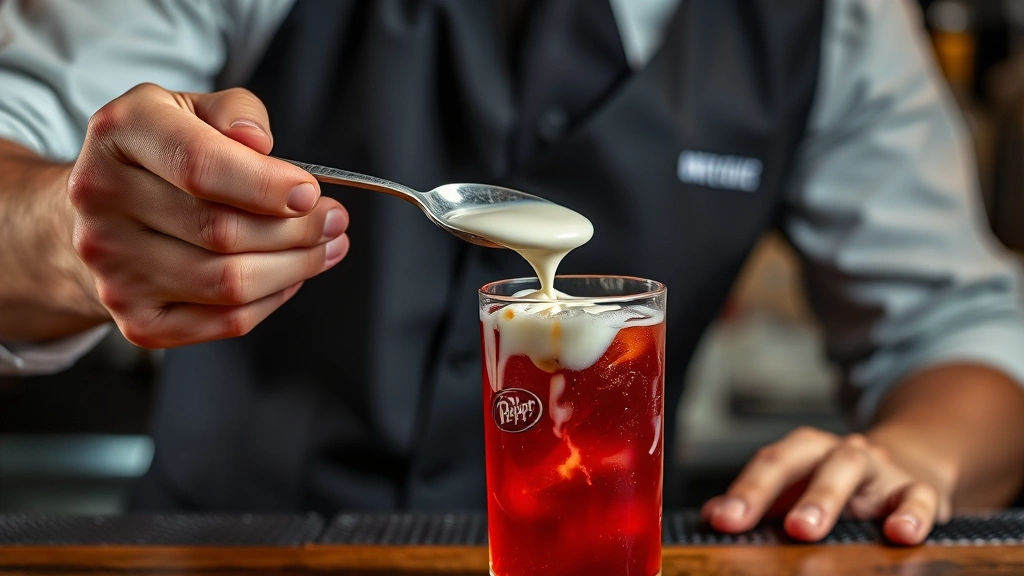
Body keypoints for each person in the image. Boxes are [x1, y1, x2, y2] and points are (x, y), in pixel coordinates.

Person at [2, 0, 1023, 546]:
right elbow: (23, 148)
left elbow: (964, 328)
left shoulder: (833, 19)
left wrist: (919, 455)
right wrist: (72, 225)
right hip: (230, 553)